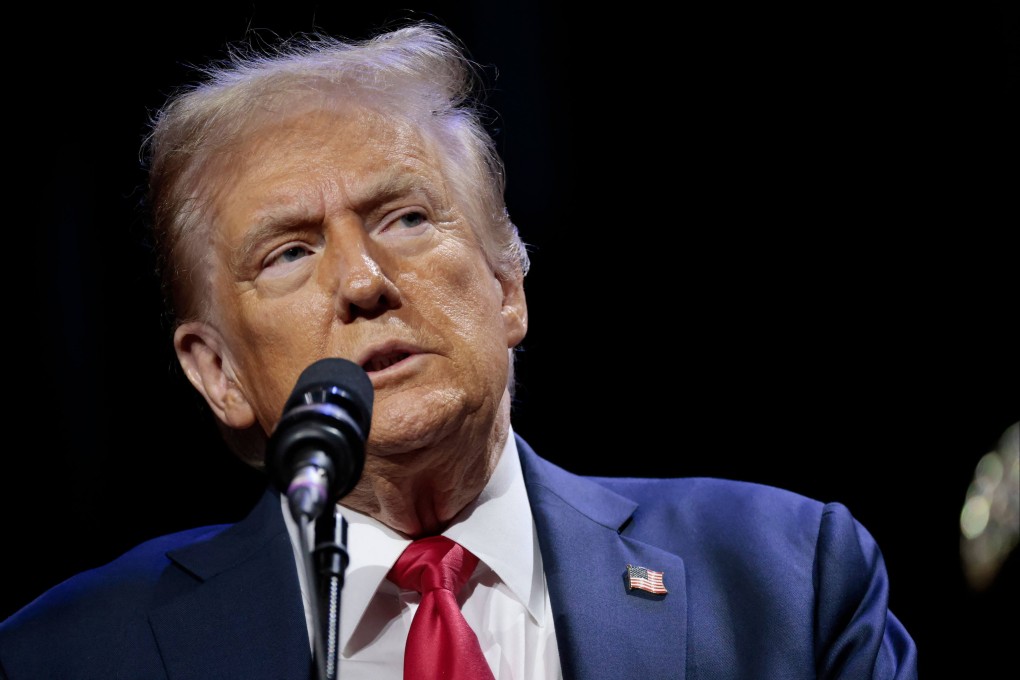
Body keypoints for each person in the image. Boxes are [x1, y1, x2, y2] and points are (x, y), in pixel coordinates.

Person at [0, 21, 918, 680]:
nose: (363, 282)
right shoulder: (68, 653)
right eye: (289, 253)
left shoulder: (782, 577)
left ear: (507, 284)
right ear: (218, 373)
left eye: (405, 217)